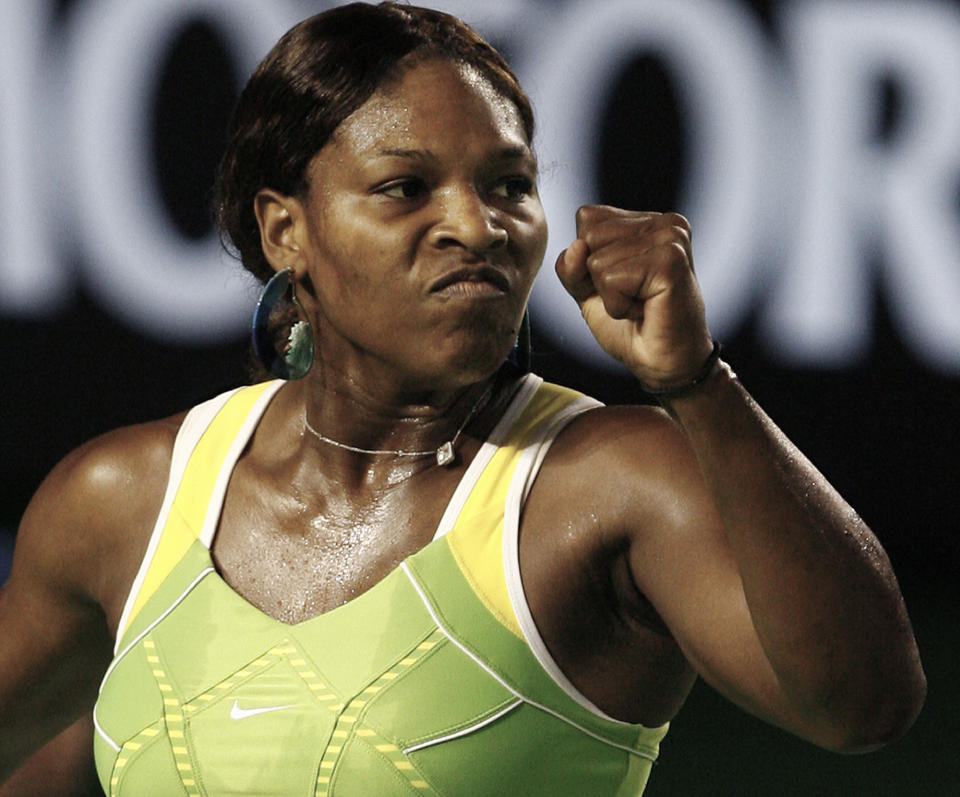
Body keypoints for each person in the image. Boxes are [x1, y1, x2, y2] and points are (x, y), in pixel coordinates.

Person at [0, 3, 925, 795]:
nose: (477, 226)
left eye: (510, 186)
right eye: (406, 188)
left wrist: (695, 383)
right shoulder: (123, 501)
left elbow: (862, 704)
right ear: (286, 229)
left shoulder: (609, 484)